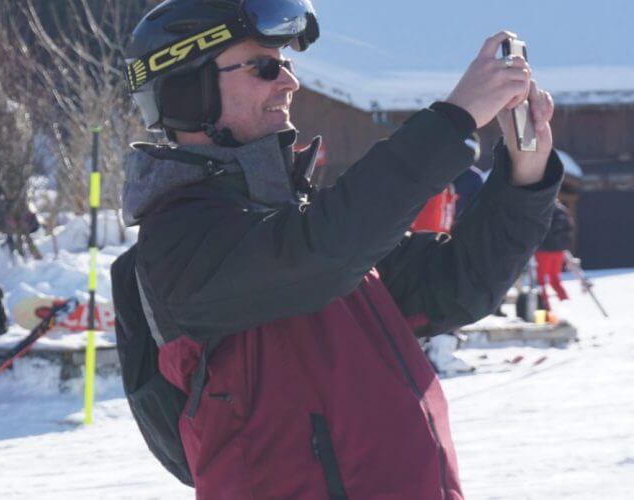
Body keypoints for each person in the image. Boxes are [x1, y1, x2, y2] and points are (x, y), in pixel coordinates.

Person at [112, 1, 563, 498]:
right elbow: (322, 253)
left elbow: (458, 286)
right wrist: (453, 121)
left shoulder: (304, 226)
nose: (289, 82)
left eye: (286, 64)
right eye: (264, 66)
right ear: (187, 89)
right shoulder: (182, 241)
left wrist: (525, 178)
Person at [536, 200, 575, 303]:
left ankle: (544, 304)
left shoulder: (544, 210)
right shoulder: (563, 211)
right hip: (558, 251)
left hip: (544, 251)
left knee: (541, 280)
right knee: (554, 278)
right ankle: (564, 300)